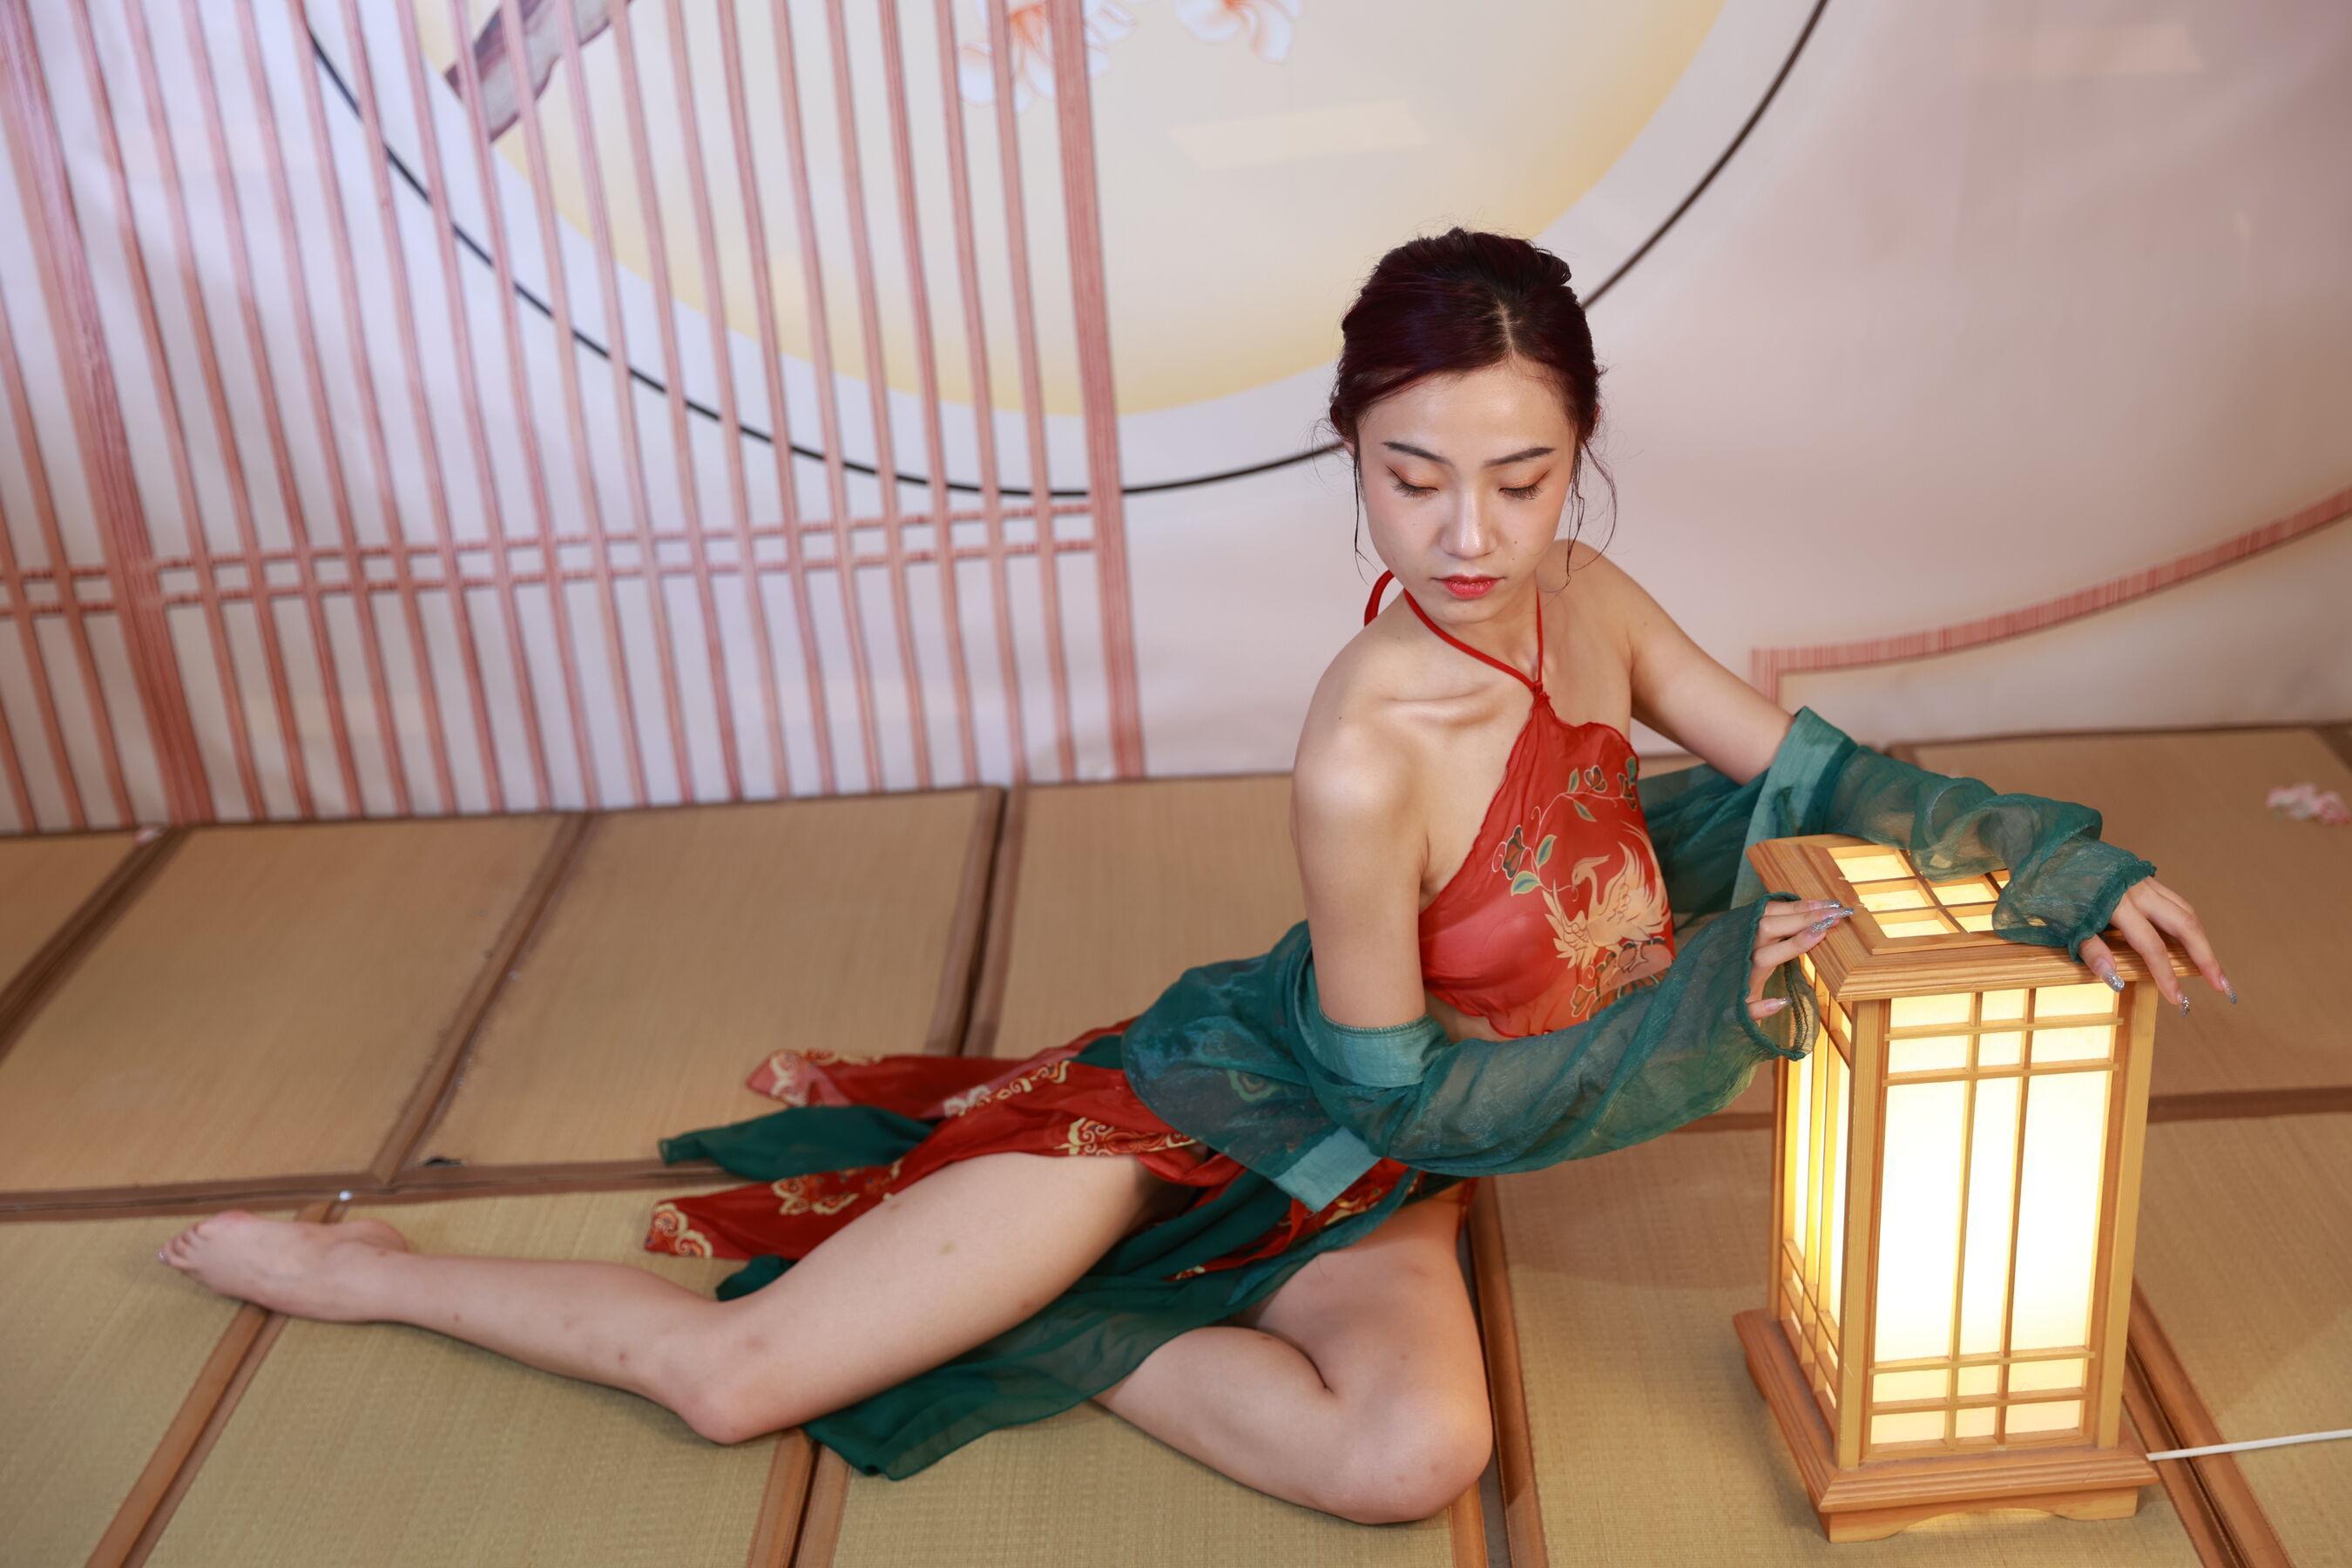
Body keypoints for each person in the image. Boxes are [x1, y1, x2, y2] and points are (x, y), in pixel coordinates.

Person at [154, 227, 2229, 1527]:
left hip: (1379, 1182)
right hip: (1231, 1118)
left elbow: (1820, 775)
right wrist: (1711, 1002)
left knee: (1411, 1461)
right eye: (1413, 477)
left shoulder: (1593, 601)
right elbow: (1412, 1090)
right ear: (1353, 457)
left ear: (1578, 457)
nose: (1470, 535)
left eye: (1519, 478)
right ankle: (377, 1271)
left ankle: (1053, 1309)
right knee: (732, 1388)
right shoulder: (1362, 746)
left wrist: (2063, 867)